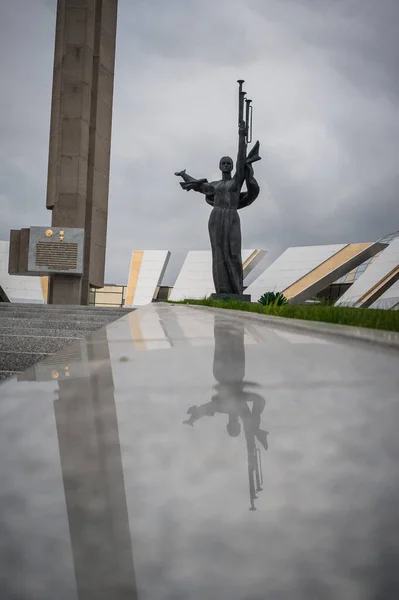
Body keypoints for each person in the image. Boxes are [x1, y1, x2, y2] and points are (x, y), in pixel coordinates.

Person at [175, 123, 260, 295]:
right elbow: (199, 187)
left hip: (231, 216)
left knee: (234, 251)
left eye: (229, 163)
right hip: (216, 218)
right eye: (224, 163)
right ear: (220, 166)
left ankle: (236, 290)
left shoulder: (236, 182)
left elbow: (241, 161)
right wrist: (184, 175)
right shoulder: (214, 185)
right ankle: (222, 290)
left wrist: (242, 137)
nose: (227, 165)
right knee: (218, 253)